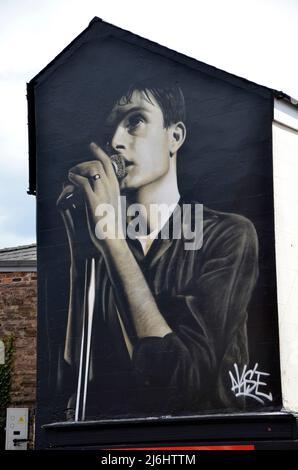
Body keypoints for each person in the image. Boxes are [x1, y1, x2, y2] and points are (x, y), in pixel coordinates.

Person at [57, 80, 259, 420]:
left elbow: (181, 382)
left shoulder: (228, 234)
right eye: (110, 133)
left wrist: (111, 240)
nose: (116, 142)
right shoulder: (106, 240)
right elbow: (76, 381)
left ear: (175, 136)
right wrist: (83, 252)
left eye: (134, 121)